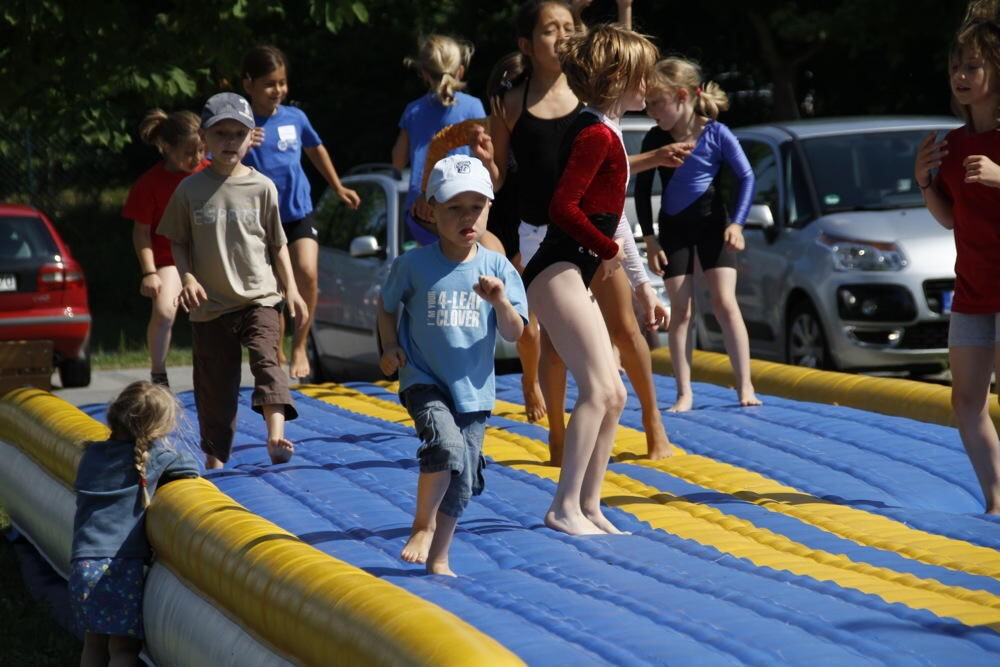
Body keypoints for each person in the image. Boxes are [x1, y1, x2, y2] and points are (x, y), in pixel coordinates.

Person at [480, 0, 685, 460]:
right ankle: (560, 440)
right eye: (549, 29)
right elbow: (520, 187)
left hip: (591, 236)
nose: (561, 35)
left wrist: (639, 281)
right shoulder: (518, 102)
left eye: (568, 27)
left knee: (624, 334)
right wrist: (486, 164)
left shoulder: (592, 109)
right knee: (564, 352)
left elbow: (611, 191)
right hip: (547, 237)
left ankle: (652, 425)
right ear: (526, 45)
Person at [520, 24, 658, 534]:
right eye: (643, 77)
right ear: (619, 77)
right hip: (555, 269)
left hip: (573, 269)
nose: (650, 86)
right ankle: (562, 506)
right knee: (598, 389)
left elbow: (611, 213)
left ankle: (589, 503)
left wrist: (635, 274)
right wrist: (607, 251)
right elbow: (564, 207)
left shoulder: (607, 130)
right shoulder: (594, 132)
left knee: (614, 392)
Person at [378, 155, 527, 575]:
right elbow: (386, 307)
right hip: (423, 378)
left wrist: (499, 300)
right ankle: (422, 526)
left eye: (476, 208)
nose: (467, 217)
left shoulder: (496, 267)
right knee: (446, 446)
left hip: (473, 389)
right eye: (454, 208)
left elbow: (515, 333)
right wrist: (389, 347)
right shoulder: (413, 265)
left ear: (489, 211)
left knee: (462, 481)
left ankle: (439, 557)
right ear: (430, 211)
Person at [159, 92, 307, 470]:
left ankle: (275, 435)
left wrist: (290, 289)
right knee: (214, 388)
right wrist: (188, 277)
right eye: (220, 133)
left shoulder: (263, 188)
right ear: (204, 139)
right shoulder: (189, 191)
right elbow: (178, 241)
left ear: (250, 137)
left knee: (267, 363)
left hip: (260, 298)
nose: (229, 141)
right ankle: (215, 457)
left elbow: (278, 244)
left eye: (238, 134)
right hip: (210, 306)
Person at [915, 1, 1000, 514]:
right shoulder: (952, 144)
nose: (961, 76)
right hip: (971, 291)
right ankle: (995, 501)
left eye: (973, 66)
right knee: (965, 401)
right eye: (955, 67)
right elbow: (948, 218)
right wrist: (924, 182)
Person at [639, 56, 762, 412]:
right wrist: (650, 239)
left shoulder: (716, 133)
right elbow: (644, 189)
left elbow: (747, 176)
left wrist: (736, 223)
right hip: (674, 229)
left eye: (656, 103)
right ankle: (683, 392)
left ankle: (745, 385)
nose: (650, 111)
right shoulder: (655, 138)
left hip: (713, 225)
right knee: (681, 309)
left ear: (681, 96)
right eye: (646, 104)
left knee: (725, 303)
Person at [242, 45, 360, 381]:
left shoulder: (296, 117)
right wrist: (240, 144)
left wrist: (337, 186)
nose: (278, 90)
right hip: (261, 220)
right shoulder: (241, 124)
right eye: (269, 84)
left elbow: (315, 148)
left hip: (297, 213)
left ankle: (300, 344)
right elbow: (213, 158)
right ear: (248, 84)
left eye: (282, 82)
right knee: (277, 287)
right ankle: (277, 347)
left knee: (307, 273)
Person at [69, 381, 199, 666]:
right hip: (118, 565)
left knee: (94, 643)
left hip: (82, 565)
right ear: (159, 428)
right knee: (124, 650)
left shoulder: (91, 454)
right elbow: (192, 468)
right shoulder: (155, 458)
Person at [122, 109, 209, 388]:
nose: (197, 158)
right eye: (190, 152)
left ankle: (213, 371)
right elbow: (141, 232)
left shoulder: (210, 173)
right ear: (167, 148)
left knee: (215, 312)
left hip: (206, 255)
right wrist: (149, 272)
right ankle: (158, 373)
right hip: (168, 258)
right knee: (164, 310)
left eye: (201, 150)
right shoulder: (149, 184)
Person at [392, 34, 487, 246]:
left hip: (423, 209)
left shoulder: (413, 111)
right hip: (465, 204)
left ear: (425, 74)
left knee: (431, 268)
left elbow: (398, 162)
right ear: (460, 71)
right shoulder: (474, 107)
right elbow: (485, 158)